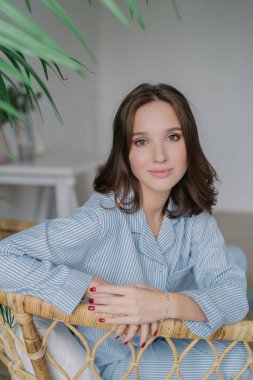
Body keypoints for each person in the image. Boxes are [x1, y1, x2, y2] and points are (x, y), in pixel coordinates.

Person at [0, 83, 250, 379]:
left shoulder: (196, 219)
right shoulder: (100, 218)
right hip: (119, 362)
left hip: (176, 341)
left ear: (189, 145)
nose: (160, 155)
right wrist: (92, 288)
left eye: (172, 137)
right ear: (126, 153)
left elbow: (235, 299)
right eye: (142, 141)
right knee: (242, 358)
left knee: (235, 265)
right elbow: (5, 257)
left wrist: (162, 304)